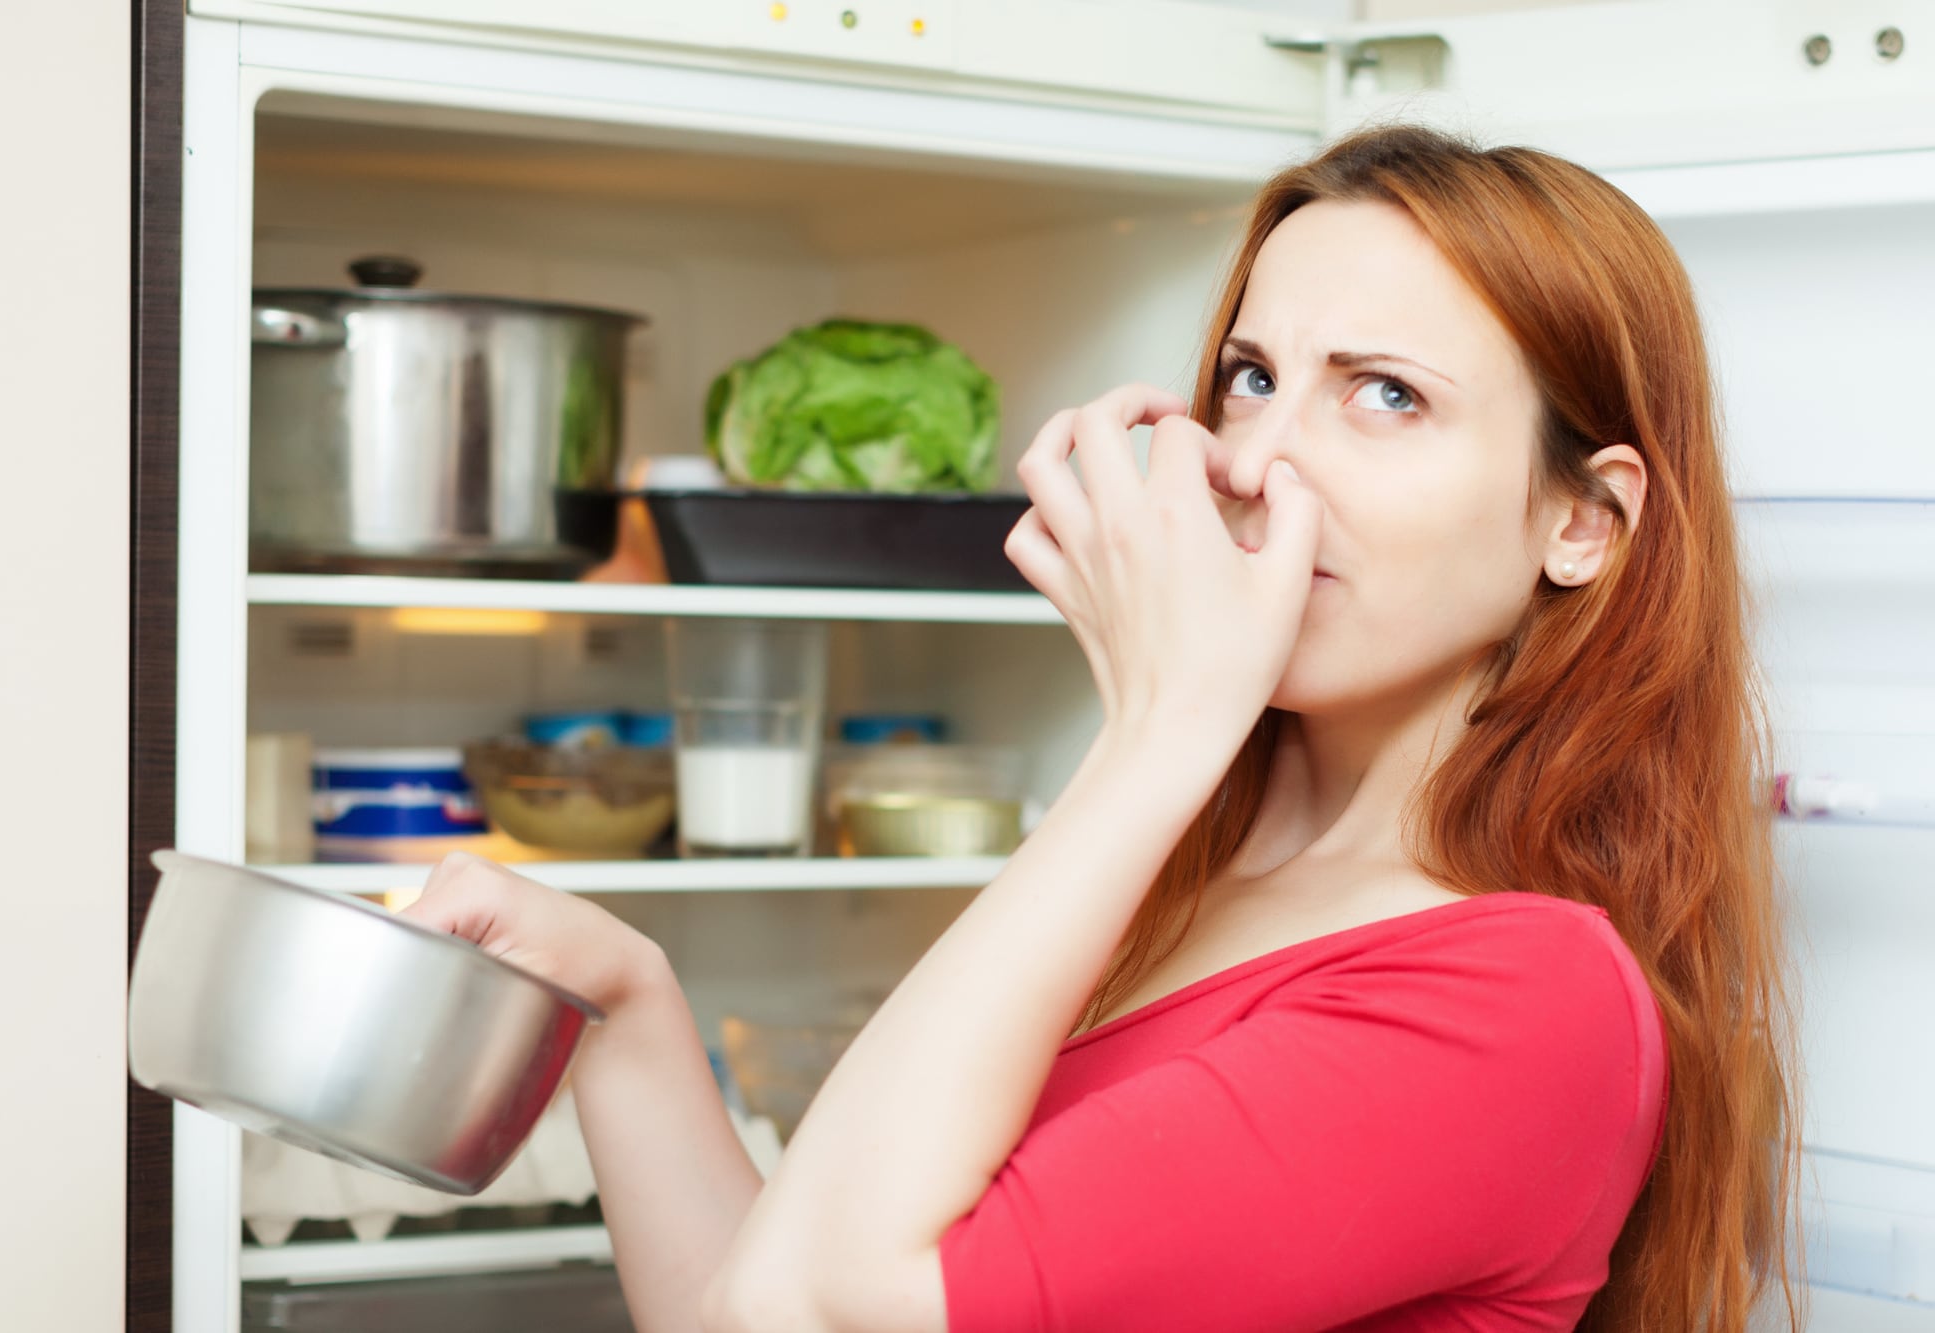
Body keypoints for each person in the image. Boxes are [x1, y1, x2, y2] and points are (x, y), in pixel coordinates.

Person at [403, 124, 1801, 1333]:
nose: (1257, 464)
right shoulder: (1191, 880)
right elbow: (768, 1298)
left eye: (1387, 395)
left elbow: (817, 1309)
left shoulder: (1523, 1001)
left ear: (1583, 523)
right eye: (1251, 377)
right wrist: (627, 1007)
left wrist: (1161, 727)